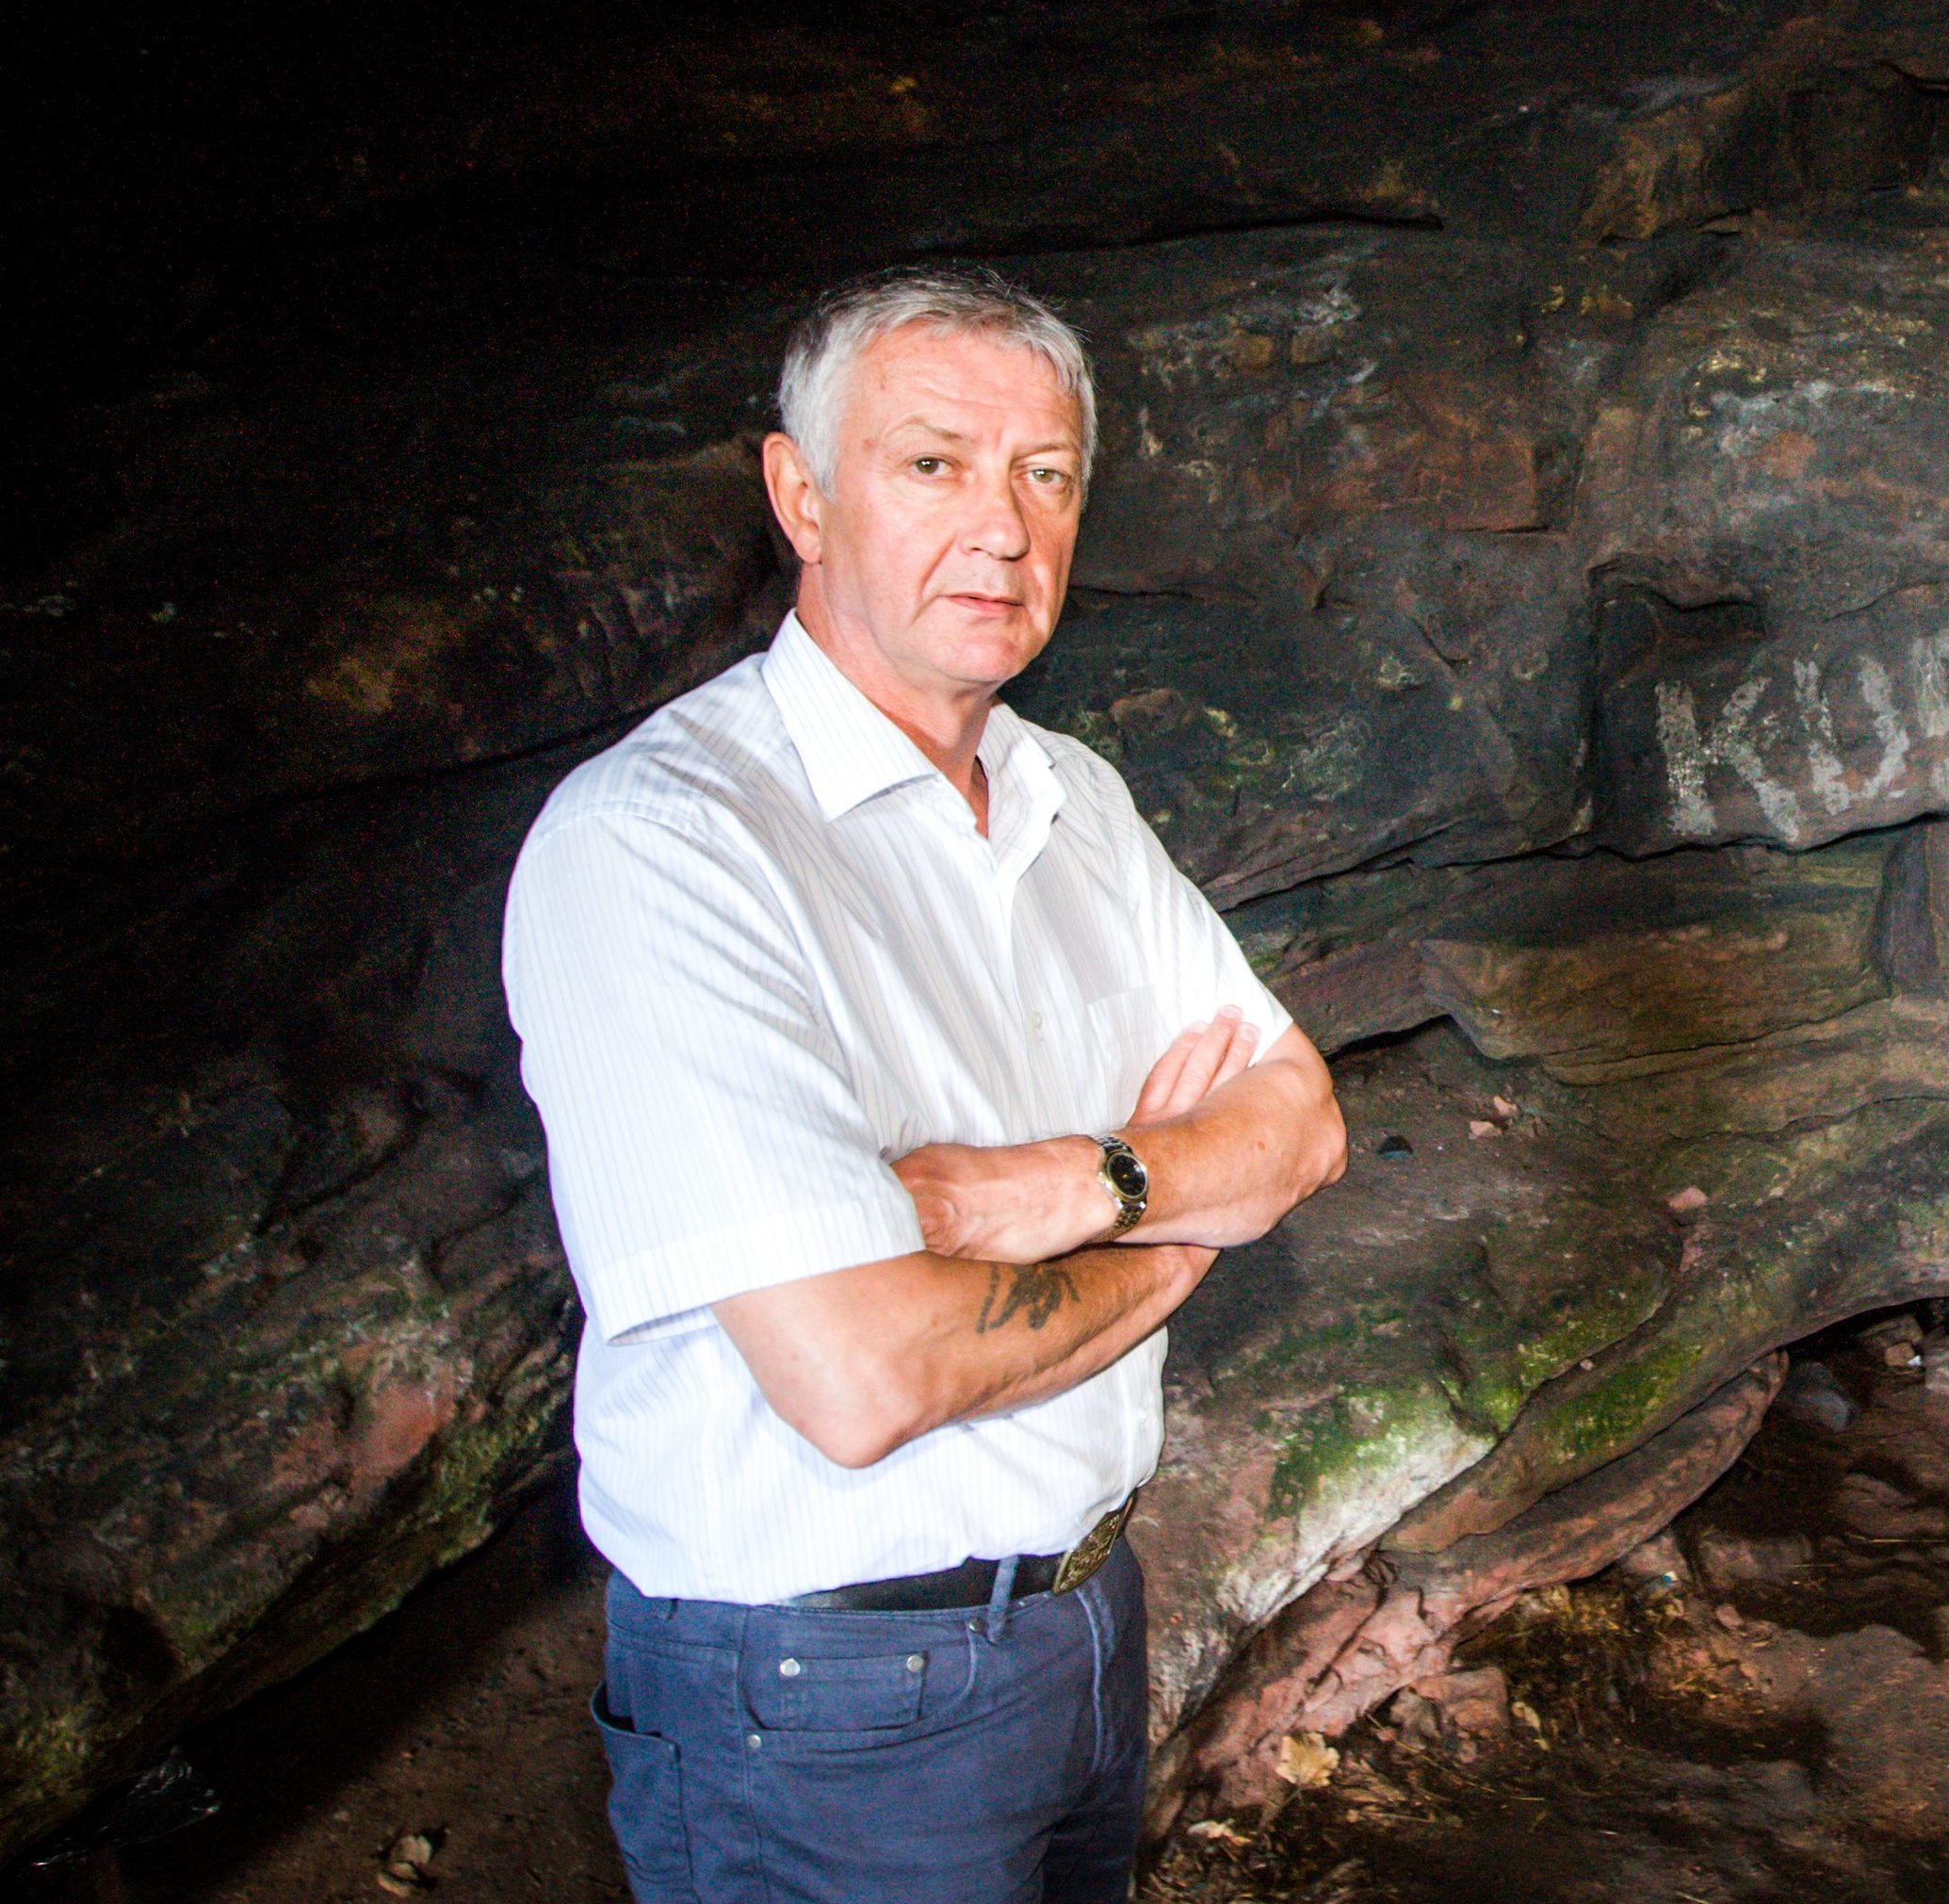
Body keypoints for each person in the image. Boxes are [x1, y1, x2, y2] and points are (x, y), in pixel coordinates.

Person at [503, 263, 1347, 1902]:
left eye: (1047, 474)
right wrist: (1183, 1231)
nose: (1007, 528)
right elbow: (867, 1375)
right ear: (799, 495)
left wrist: (1045, 1191)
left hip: (1088, 1619)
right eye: (935, 464)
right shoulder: (663, 845)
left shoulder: (1075, 800)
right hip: (820, 1702)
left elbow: (1300, 1126)